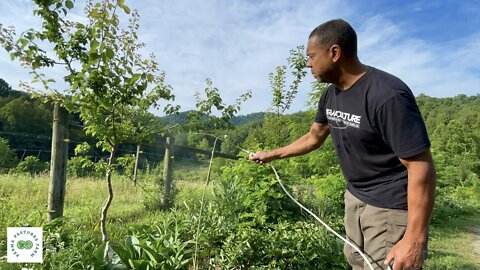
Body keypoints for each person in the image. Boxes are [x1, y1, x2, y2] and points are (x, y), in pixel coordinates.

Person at [249, 19, 436, 270]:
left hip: (389, 208)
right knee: (358, 263)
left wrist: (414, 240)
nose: (308, 64)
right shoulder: (331, 94)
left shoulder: (387, 95)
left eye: (312, 56)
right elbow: (313, 137)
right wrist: (272, 154)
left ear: (334, 53)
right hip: (355, 199)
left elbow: (420, 166)